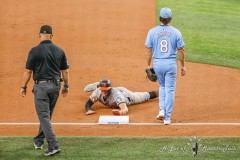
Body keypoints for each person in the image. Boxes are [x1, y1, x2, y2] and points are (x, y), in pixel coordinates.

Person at [20, 25, 69, 156]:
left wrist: (23, 86)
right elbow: (65, 71)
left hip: (41, 88)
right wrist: (66, 87)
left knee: (44, 117)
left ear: (39, 35)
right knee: (46, 116)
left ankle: (53, 145)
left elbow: (27, 71)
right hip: (55, 87)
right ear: (52, 36)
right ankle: (39, 140)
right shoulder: (60, 50)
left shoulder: (34, 50)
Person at [145, 8, 186, 125]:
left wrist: (148, 65)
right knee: (170, 90)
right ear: (170, 19)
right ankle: (167, 118)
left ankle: (161, 110)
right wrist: (183, 66)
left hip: (158, 64)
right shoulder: (176, 32)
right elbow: (181, 51)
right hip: (170, 64)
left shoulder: (152, 32)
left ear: (160, 18)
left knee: (162, 86)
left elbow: (148, 50)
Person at [84, 79, 158, 115]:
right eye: (101, 89)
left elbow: (124, 109)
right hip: (115, 91)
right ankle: (99, 84)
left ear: (109, 89)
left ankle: (162, 92)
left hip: (127, 96)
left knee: (144, 96)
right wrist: (88, 110)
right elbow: (88, 103)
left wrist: (120, 112)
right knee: (97, 93)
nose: (103, 91)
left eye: (105, 90)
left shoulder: (117, 96)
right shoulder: (98, 91)